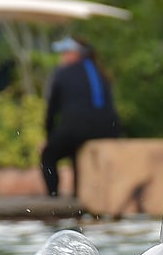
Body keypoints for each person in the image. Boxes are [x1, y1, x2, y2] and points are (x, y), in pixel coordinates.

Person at [40, 36, 121, 197]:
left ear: (77, 54)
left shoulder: (63, 74)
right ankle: (79, 196)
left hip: (77, 129)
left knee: (48, 155)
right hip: (109, 130)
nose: (62, 57)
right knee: (76, 151)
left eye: (66, 52)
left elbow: (51, 110)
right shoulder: (100, 73)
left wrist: (49, 135)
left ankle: (53, 198)